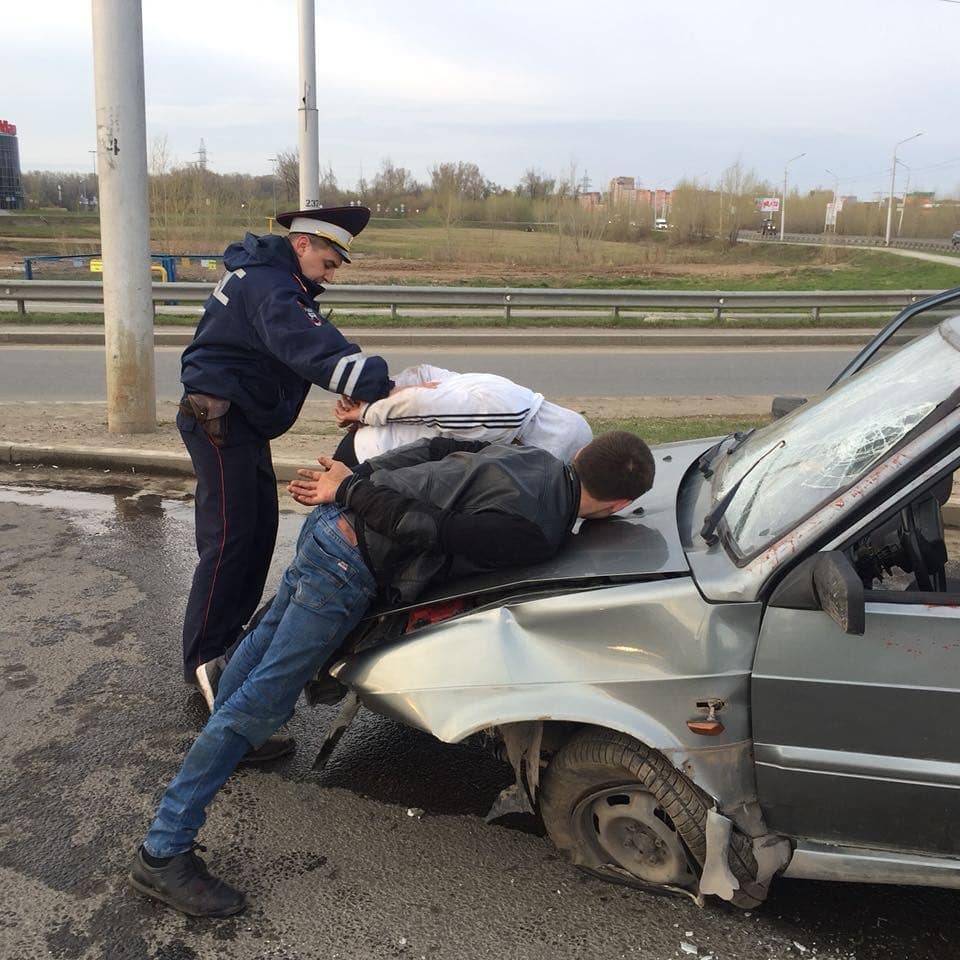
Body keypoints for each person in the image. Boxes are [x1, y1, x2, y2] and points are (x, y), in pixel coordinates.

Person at [129, 431, 656, 917]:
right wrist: (354, 488)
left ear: (581, 456)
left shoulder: (536, 456)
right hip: (348, 561)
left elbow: (435, 447)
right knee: (259, 705)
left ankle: (229, 744)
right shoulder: (537, 532)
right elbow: (428, 528)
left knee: (262, 643)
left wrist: (356, 479)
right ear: (618, 506)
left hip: (328, 533)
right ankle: (163, 852)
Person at [178, 206, 394, 717]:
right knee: (231, 543)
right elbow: (310, 347)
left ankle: (231, 655)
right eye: (329, 258)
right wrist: (385, 388)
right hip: (220, 421)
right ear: (302, 245)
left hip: (236, 422)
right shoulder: (271, 285)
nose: (332, 271)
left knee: (254, 537)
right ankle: (209, 671)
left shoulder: (270, 279)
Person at [332, 363, 593, 466]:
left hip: (375, 450)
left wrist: (379, 395)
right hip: (372, 457)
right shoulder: (503, 419)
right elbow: (421, 401)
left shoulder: (517, 396)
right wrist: (366, 412)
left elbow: (426, 375)